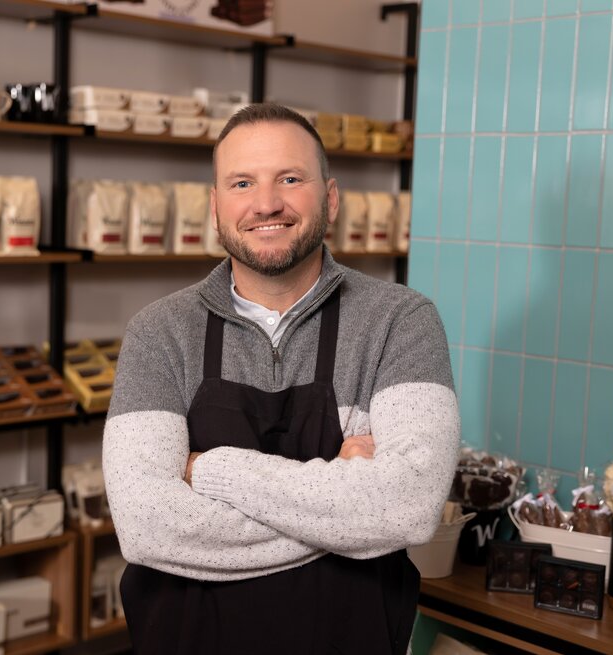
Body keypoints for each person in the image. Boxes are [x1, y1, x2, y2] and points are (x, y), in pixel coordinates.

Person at [103, 103, 459, 655]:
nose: (266, 203)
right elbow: (146, 525)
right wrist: (343, 506)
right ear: (217, 208)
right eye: (242, 183)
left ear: (331, 198)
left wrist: (211, 470)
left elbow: (408, 509)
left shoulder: (400, 322)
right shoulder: (158, 333)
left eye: (290, 178)